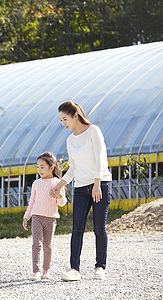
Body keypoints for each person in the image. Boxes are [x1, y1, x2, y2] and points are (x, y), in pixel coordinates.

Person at [52, 101, 112, 281]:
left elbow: (101, 160)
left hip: (99, 184)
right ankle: (74, 269)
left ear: (75, 115)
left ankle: (100, 267)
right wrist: (60, 184)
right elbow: (73, 168)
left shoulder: (94, 131)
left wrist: (96, 184)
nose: (63, 123)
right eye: (61, 120)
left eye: (65, 119)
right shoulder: (70, 140)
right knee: (77, 228)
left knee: (99, 228)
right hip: (80, 188)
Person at [23, 152, 67, 281]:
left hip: (51, 218)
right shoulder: (36, 183)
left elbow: (62, 203)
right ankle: (35, 271)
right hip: (36, 217)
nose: (39, 170)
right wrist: (27, 217)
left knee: (48, 245)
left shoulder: (58, 183)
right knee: (36, 244)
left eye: (42, 167)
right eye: (38, 167)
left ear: (51, 167)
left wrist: (59, 196)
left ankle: (46, 270)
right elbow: (31, 202)